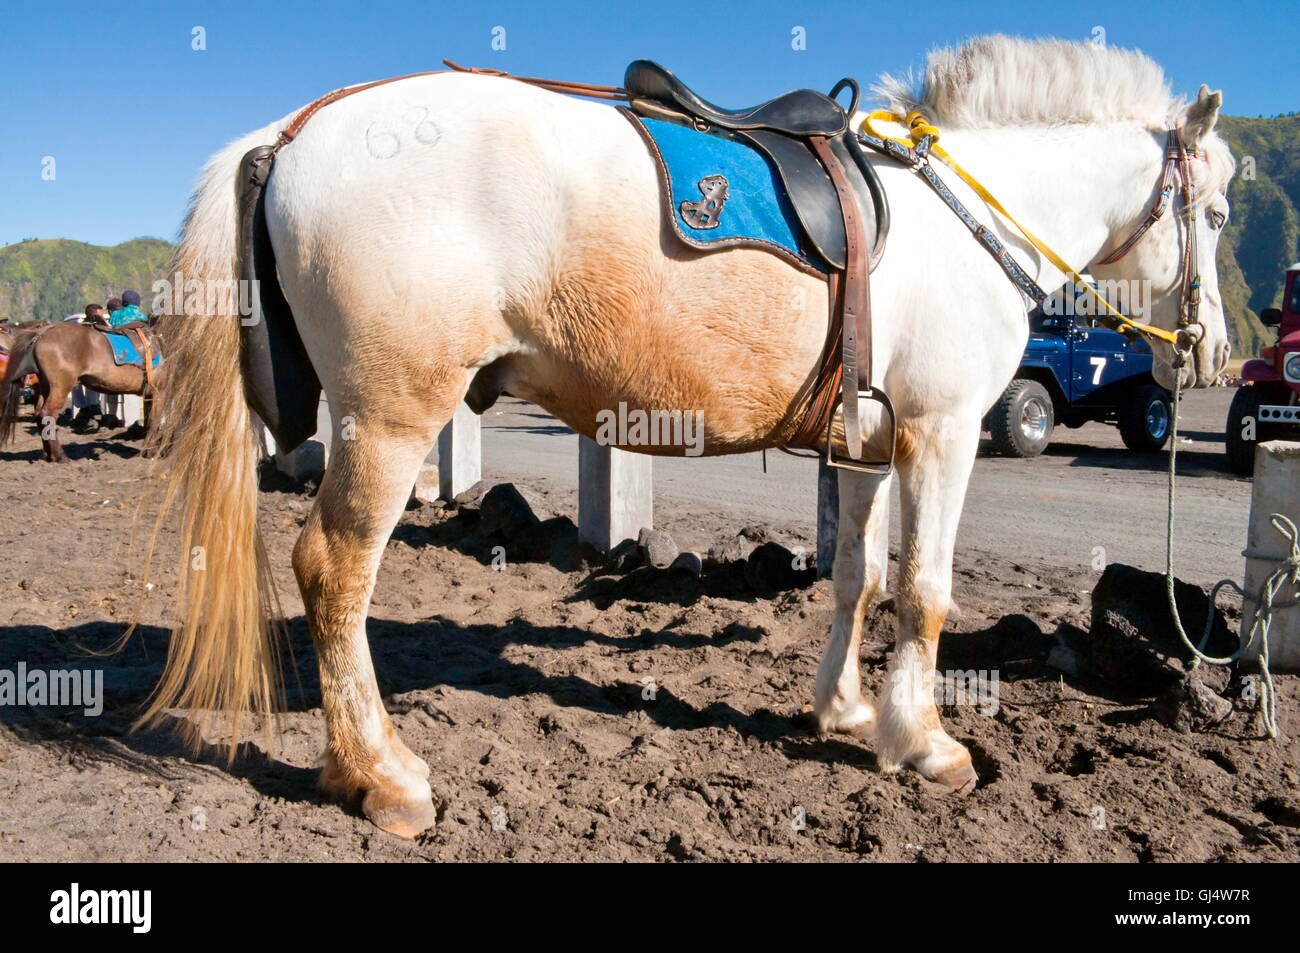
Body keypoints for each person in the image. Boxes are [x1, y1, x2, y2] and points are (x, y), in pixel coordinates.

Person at [72, 304, 107, 431]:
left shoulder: (80, 328)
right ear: (95, 314)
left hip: (81, 362)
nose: (102, 316)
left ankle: (85, 407)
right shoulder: (97, 327)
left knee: (78, 386)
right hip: (92, 362)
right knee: (92, 385)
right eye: (100, 314)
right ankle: (92, 407)